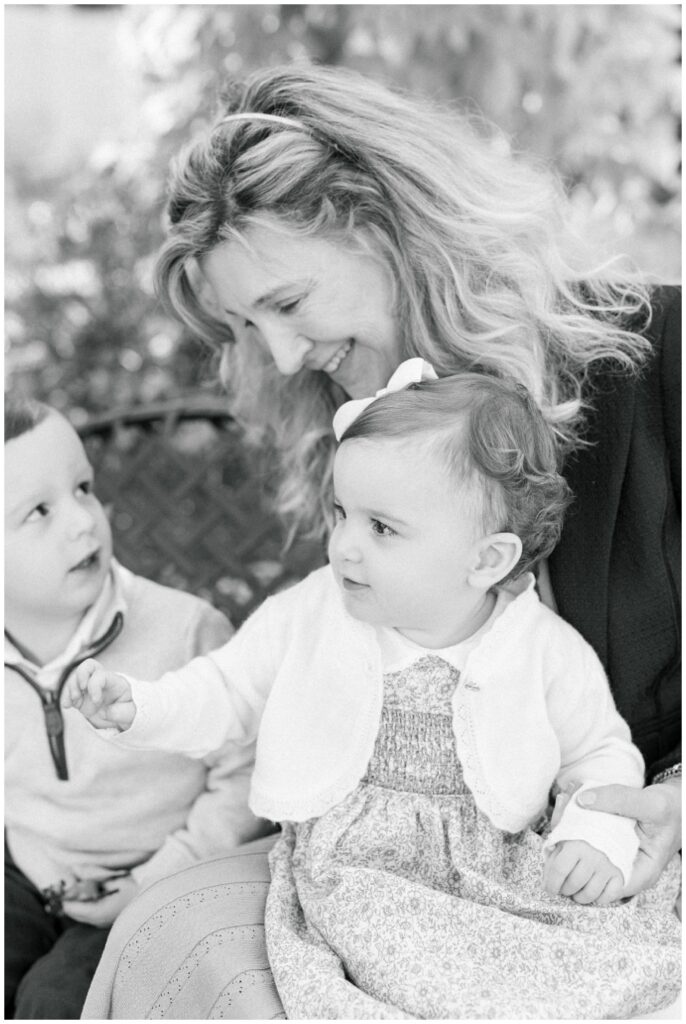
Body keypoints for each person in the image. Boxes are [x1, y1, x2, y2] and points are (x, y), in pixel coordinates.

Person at [82, 63, 680, 1018]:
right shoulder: (359, 443)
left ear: (386, 225)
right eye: (243, 325)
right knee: (160, 938)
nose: (278, 357)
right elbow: (295, 681)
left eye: (285, 303)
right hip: (394, 868)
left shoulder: (664, 363)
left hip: (615, 860)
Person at [68, 364, 680, 1019]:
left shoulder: (539, 646)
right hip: (359, 871)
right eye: (340, 515)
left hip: (493, 862)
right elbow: (225, 691)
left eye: (381, 528)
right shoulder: (309, 615)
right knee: (406, 966)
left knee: (598, 956)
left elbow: (601, 754)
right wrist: (142, 706)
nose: (343, 549)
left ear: (487, 560)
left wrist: (594, 836)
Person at [3, 397, 269, 1020]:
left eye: (83, 489)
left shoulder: (184, 630)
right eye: (39, 511)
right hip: (32, 874)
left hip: (162, 875)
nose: (83, 522)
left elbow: (245, 776)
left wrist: (160, 876)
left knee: (54, 1002)